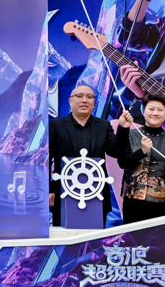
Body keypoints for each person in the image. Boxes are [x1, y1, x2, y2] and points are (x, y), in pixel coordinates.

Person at [49, 83, 127, 227]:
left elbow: (115, 152)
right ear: (70, 101)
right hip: (63, 191)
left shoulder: (104, 125)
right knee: (64, 235)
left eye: (89, 97)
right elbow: (47, 160)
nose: (84, 100)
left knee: (94, 236)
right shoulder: (56, 125)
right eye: (79, 96)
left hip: (96, 192)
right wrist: (50, 190)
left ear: (94, 102)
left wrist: (123, 129)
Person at [113, 93, 165, 224]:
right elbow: (122, 162)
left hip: (162, 201)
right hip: (133, 200)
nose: (155, 113)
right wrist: (142, 151)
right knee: (133, 236)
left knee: (158, 236)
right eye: (151, 109)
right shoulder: (131, 134)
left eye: (160, 110)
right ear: (144, 111)